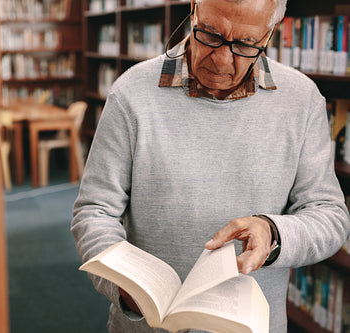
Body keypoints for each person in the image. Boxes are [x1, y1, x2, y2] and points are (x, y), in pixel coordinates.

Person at [71, 0, 350, 331]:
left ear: (269, 33)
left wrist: (273, 233)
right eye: (210, 34)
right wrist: (123, 287)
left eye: (244, 44)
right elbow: (94, 212)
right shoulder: (131, 93)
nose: (220, 58)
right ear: (194, 9)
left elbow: (330, 217)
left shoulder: (302, 101)